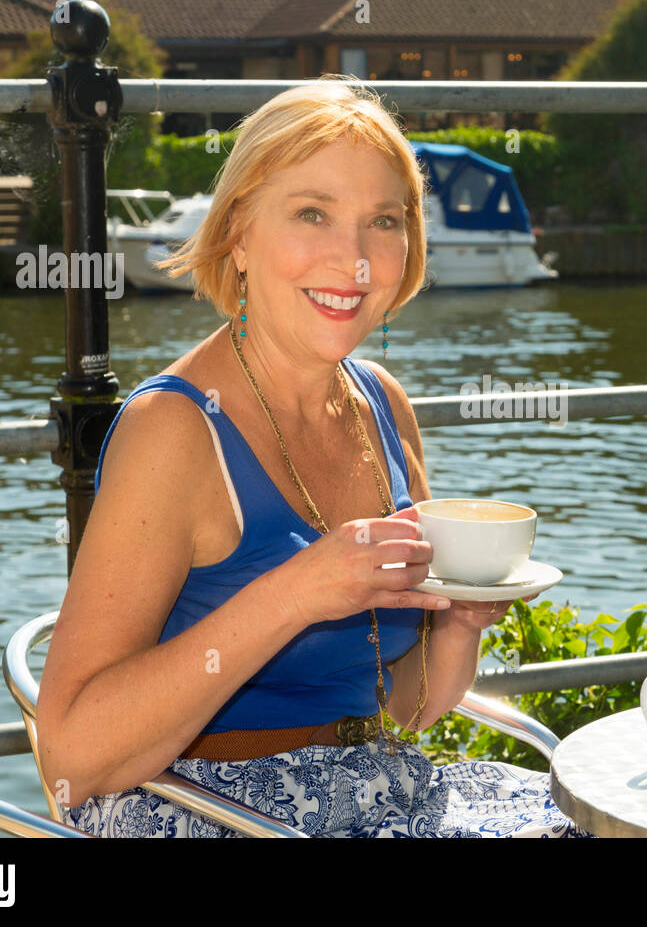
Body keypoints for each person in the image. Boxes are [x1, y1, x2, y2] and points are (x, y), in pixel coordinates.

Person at [35, 77, 592, 838]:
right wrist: (294, 595)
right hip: (216, 810)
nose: (354, 260)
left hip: (378, 790)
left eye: (383, 222)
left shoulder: (382, 407)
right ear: (238, 233)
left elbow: (404, 707)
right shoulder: (174, 431)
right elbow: (70, 756)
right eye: (312, 213)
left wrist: (460, 621)